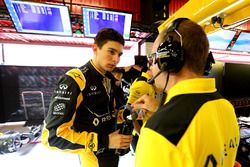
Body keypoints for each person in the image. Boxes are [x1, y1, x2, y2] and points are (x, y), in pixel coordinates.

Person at [132, 18, 240, 166]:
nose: (150, 67)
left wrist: (162, 116)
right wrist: (161, 110)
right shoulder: (226, 107)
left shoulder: (157, 132)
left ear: (168, 59)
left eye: (152, 58)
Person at [41, 28, 132, 167]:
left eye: (119, 54)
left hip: (111, 153)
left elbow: (107, 115)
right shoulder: (75, 80)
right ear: (95, 48)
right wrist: (105, 141)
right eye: (111, 51)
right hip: (93, 158)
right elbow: (52, 137)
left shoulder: (108, 78)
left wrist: (127, 113)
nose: (116, 59)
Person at [126, 69, 157, 153]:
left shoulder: (148, 83)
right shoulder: (142, 84)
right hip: (141, 135)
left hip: (147, 133)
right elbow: (128, 112)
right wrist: (140, 134)